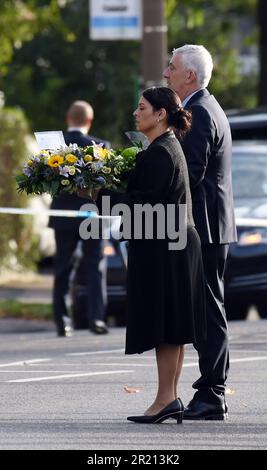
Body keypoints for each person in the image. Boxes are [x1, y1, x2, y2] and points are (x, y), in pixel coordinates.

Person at [91, 87, 206, 424]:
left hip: (167, 248)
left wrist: (97, 193)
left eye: (142, 107)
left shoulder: (160, 153)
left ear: (160, 115)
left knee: (168, 325)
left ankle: (165, 399)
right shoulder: (165, 147)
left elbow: (142, 208)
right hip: (174, 245)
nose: (135, 113)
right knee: (173, 324)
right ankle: (167, 398)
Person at [164, 44, 237, 420]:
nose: (166, 73)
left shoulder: (198, 112)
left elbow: (189, 174)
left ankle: (212, 393)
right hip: (209, 223)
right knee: (208, 307)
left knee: (209, 310)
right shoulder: (203, 107)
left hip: (204, 225)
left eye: (172, 67)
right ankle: (211, 391)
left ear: (189, 75)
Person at [48, 100, 109, 337]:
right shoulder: (99, 145)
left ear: (68, 118)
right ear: (89, 120)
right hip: (91, 214)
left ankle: (62, 321)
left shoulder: (53, 146)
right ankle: (96, 319)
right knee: (95, 267)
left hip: (62, 215)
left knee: (63, 268)